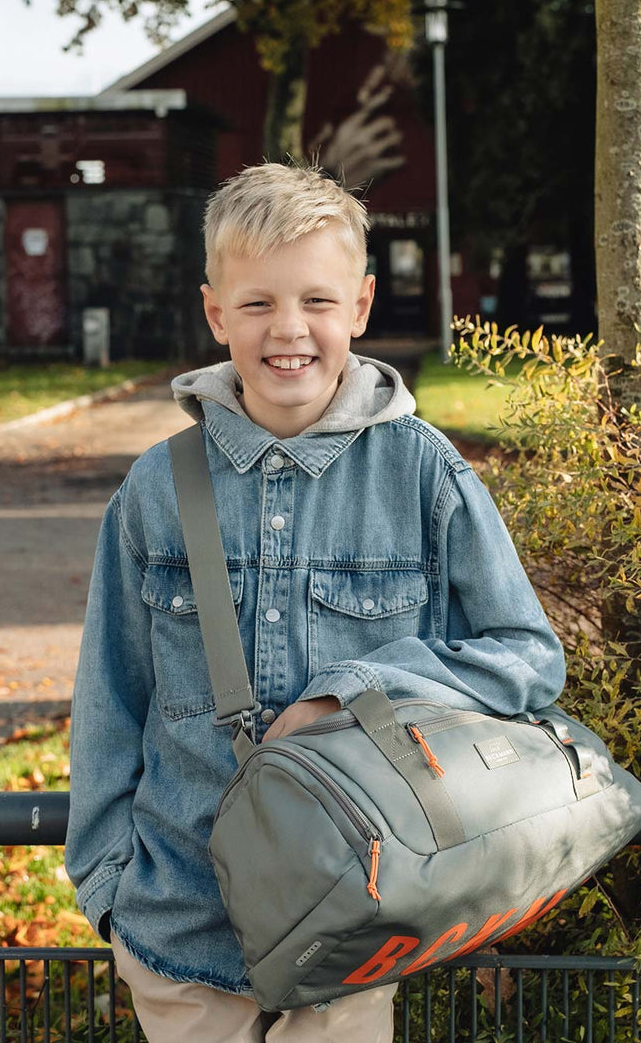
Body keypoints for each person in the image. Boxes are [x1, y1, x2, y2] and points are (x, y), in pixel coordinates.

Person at [64, 162, 566, 1042]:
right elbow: (110, 696)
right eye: (256, 304)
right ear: (216, 313)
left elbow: (526, 654)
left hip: (357, 934)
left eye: (317, 303)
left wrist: (354, 689)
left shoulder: (424, 474)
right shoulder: (154, 489)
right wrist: (107, 887)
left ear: (362, 306)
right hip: (178, 927)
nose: (288, 330)